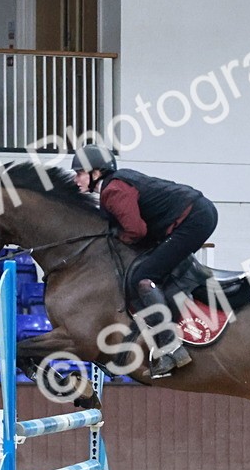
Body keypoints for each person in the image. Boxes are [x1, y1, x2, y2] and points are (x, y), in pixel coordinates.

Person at [71, 144, 219, 377]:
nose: (76, 179)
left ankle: (171, 346)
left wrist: (116, 234)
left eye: (79, 173)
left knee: (143, 277)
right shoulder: (114, 186)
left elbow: (136, 232)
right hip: (195, 215)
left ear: (96, 173)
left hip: (195, 219)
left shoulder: (113, 191)